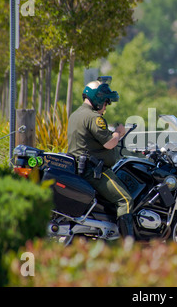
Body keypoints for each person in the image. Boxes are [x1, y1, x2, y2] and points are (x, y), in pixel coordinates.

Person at [67, 78, 134, 238]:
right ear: (98, 100)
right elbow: (110, 143)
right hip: (94, 171)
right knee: (125, 200)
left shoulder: (76, 115)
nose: (106, 107)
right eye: (106, 102)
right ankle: (128, 245)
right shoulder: (93, 117)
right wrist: (118, 132)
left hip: (80, 168)